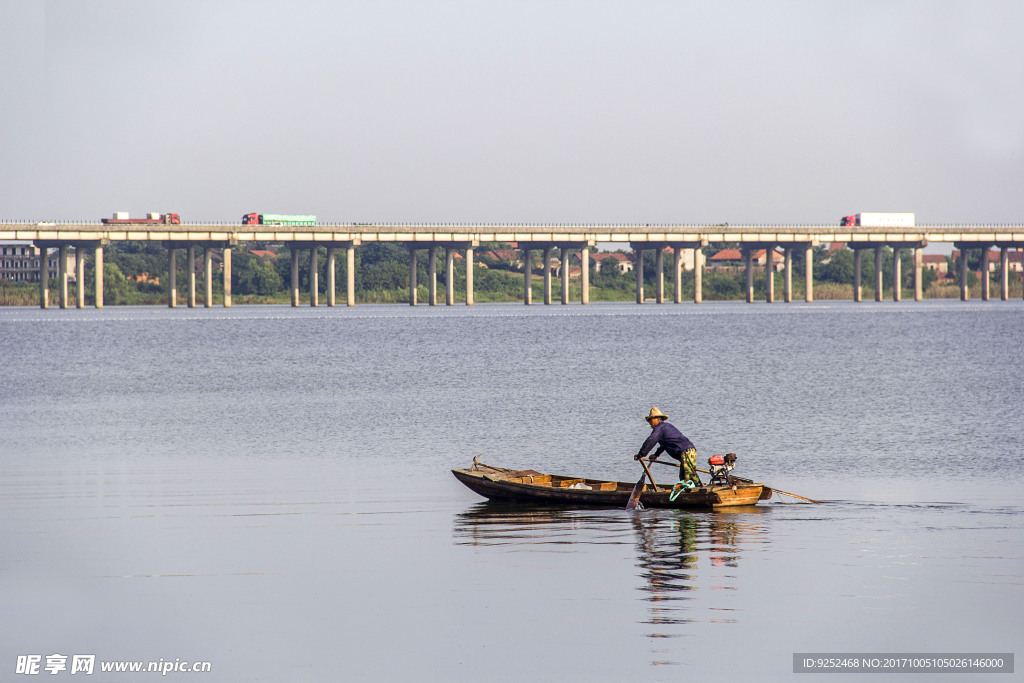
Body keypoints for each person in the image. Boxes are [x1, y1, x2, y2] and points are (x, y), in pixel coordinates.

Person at [634, 407, 701, 486]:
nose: (649, 422)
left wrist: (640, 455)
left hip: (686, 452)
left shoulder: (660, 428)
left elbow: (650, 441)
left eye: (650, 419)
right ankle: (688, 493)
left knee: (690, 477)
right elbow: (664, 444)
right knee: (683, 477)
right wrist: (656, 454)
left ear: (658, 419)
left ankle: (700, 491)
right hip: (687, 452)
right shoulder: (664, 427)